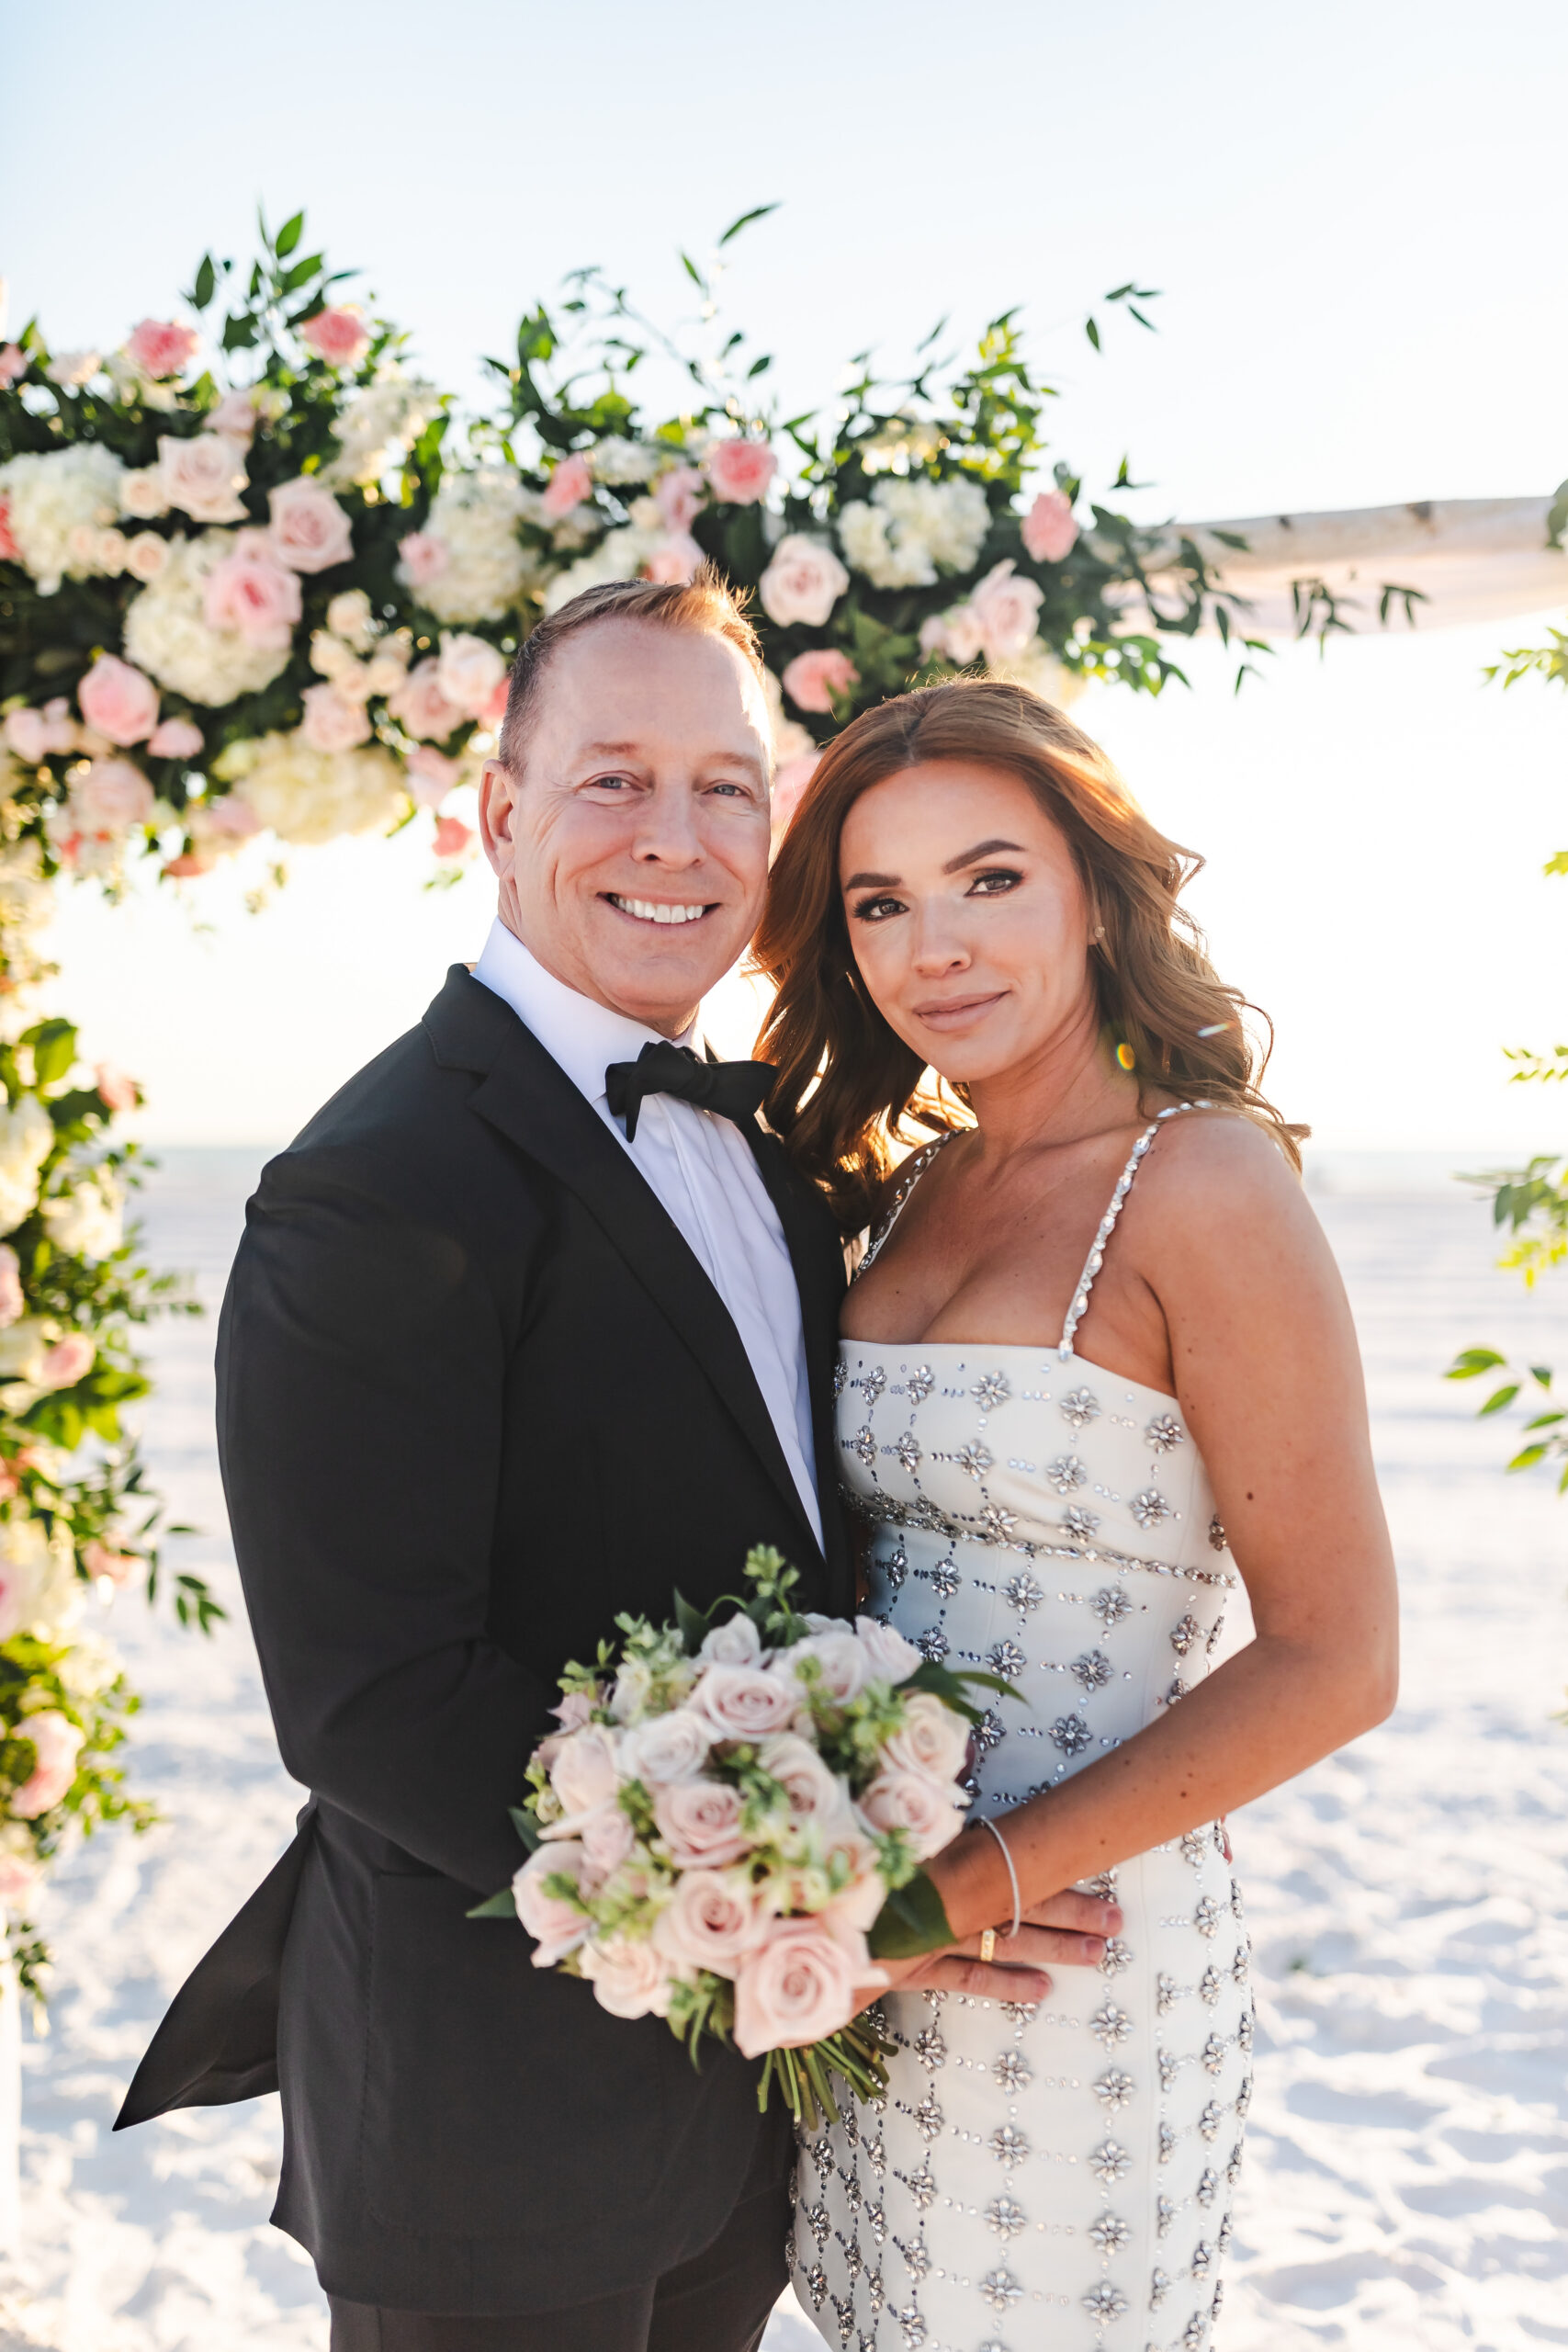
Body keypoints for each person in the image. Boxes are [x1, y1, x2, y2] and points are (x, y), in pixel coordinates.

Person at [113, 571, 948, 2352]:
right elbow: (374, 1697)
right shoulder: (375, 1182)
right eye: (612, 778)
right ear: (498, 815)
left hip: (746, 2109)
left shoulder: (772, 1147)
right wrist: (762, 1902)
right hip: (494, 2112)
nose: (677, 834)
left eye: (726, 783)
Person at [750, 679, 1399, 2352]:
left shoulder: (1206, 1183)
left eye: (990, 880)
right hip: (875, 1948)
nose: (933, 948)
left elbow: (1338, 1659)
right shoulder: (904, 1191)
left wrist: (947, 1896)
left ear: (1099, 898)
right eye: (880, 903)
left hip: (1065, 1955)